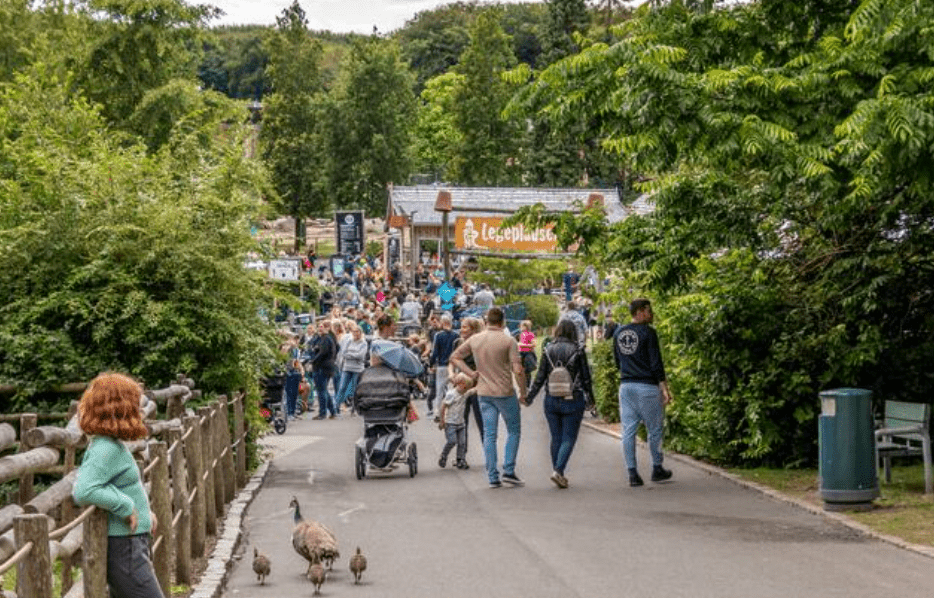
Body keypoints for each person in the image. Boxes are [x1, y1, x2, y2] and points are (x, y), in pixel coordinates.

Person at [72, 372, 165, 598]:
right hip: (125, 548)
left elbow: (121, 484)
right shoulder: (107, 448)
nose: (139, 410)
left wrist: (145, 512)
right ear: (119, 408)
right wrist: (125, 506)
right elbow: (84, 490)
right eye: (133, 404)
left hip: (131, 543)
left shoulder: (111, 444)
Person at [450, 307, 528, 488]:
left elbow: (455, 357)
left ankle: (492, 475)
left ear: (486, 322)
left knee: (489, 435)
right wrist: (523, 393)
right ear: (503, 322)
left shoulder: (476, 340)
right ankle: (508, 470)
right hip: (504, 392)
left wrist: (471, 373)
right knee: (514, 430)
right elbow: (518, 370)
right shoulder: (509, 341)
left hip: (483, 392)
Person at [526, 320, 594, 489]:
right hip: (573, 397)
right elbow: (586, 377)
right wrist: (591, 398)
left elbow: (540, 377)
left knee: (556, 437)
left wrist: (530, 397)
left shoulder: (548, 349)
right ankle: (558, 470)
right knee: (569, 437)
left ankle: (559, 472)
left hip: (551, 398)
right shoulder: (578, 350)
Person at [613, 298, 673, 487]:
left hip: (626, 386)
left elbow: (617, 362)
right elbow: (656, 363)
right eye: (648, 310)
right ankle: (657, 468)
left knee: (628, 430)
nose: (651, 314)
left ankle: (632, 473)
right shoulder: (649, 333)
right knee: (654, 430)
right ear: (639, 312)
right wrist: (664, 387)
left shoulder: (619, 333)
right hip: (646, 386)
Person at [438, 373, 475, 469]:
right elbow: (443, 406)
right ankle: (443, 455)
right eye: (466, 387)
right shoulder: (451, 394)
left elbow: (474, 390)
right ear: (461, 384)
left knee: (462, 443)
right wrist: (442, 420)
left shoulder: (465, 393)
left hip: (461, 423)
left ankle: (460, 460)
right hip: (451, 423)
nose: (467, 390)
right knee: (452, 441)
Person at [428, 314, 458, 418]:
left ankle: (437, 413)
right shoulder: (456, 335)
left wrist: (431, 363)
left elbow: (435, 352)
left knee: (439, 390)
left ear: (443, 323)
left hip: (441, 365)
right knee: (451, 389)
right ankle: (451, 412)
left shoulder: (438, 335)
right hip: (453, 366)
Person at [335, 323, 368, 414]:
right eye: (354, 332)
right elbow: (343, 353)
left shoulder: (363, 343)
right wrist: (353, 354)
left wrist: (350, 354)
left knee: (354, 389)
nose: (356, 334)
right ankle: (336, 407)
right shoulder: (349, 341)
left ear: (360, 333)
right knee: (342, 387)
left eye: (357, 332)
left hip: (357, 369)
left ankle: (354, 407)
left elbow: (360, 356)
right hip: (347, 367)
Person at [309, 320, 338, 419]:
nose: (320, 329)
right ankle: (332, 411)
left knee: (321, 390)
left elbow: (322, 353)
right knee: (324, 390)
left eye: (322, 327)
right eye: (319, 327)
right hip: (326, 366)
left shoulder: (326, 339)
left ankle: (323, 413)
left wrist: (312, 361)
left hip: (322, 367)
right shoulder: (324, 338)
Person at [517, 319, 537, 386]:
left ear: (526, 327)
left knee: (527, 371)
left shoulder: (531, 335)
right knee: (521, 371)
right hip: (521, 353)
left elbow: (534, 344)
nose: (520, 327)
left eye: (522, 326)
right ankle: (523, 385)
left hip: (528, 353)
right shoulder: (521, 335)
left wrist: (522, 345)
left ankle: (527, 386)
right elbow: (520, 343)